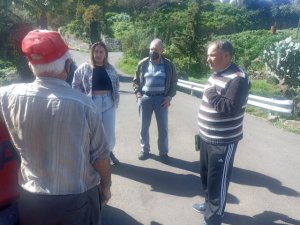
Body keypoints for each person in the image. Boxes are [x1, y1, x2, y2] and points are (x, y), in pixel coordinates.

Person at [0, 29, 112, 225]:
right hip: (78, 200)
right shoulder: (85, 105)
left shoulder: (7, 96)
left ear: (30, 64)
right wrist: (106, 186)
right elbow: (101, 157)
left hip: (32, 199)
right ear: (68, 65)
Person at [193, 40, 250, 225]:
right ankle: (209, 204)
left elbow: (228, 107)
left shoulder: (238, 78)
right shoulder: (217, 73)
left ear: (226, 55)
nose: (208, 59)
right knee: (207, 176)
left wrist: (209, 93)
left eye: (212, 55)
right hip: (207, 137)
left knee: (218, 180)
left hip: (223, 140)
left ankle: (214, 217)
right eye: (208, 54)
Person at [72, 41, 120, 165]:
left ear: (105, 54)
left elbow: (116, 85)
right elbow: (75, 84)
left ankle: (108, 153)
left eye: (101, 52)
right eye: (96, 51)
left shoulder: (111, 69)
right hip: (93, 102)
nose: (98, 54)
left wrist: (115, 100)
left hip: (109, 102)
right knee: (93, 132)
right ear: (92, 53)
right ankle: (93, 157)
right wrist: (82, 99)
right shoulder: (85, 67)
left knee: (109, 132)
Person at [133, 38, 178, 162]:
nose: (153, 52)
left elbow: (174, 82)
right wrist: (138, 94)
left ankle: (163, 153)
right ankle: (144, 150)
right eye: (152, 49)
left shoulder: (169, 65)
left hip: (161, 99)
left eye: (156, 50)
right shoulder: (143, 63)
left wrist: (169, 97)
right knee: (143, 127)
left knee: (163, 128)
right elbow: (136, 81)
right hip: (145, 98)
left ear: (162, 51)